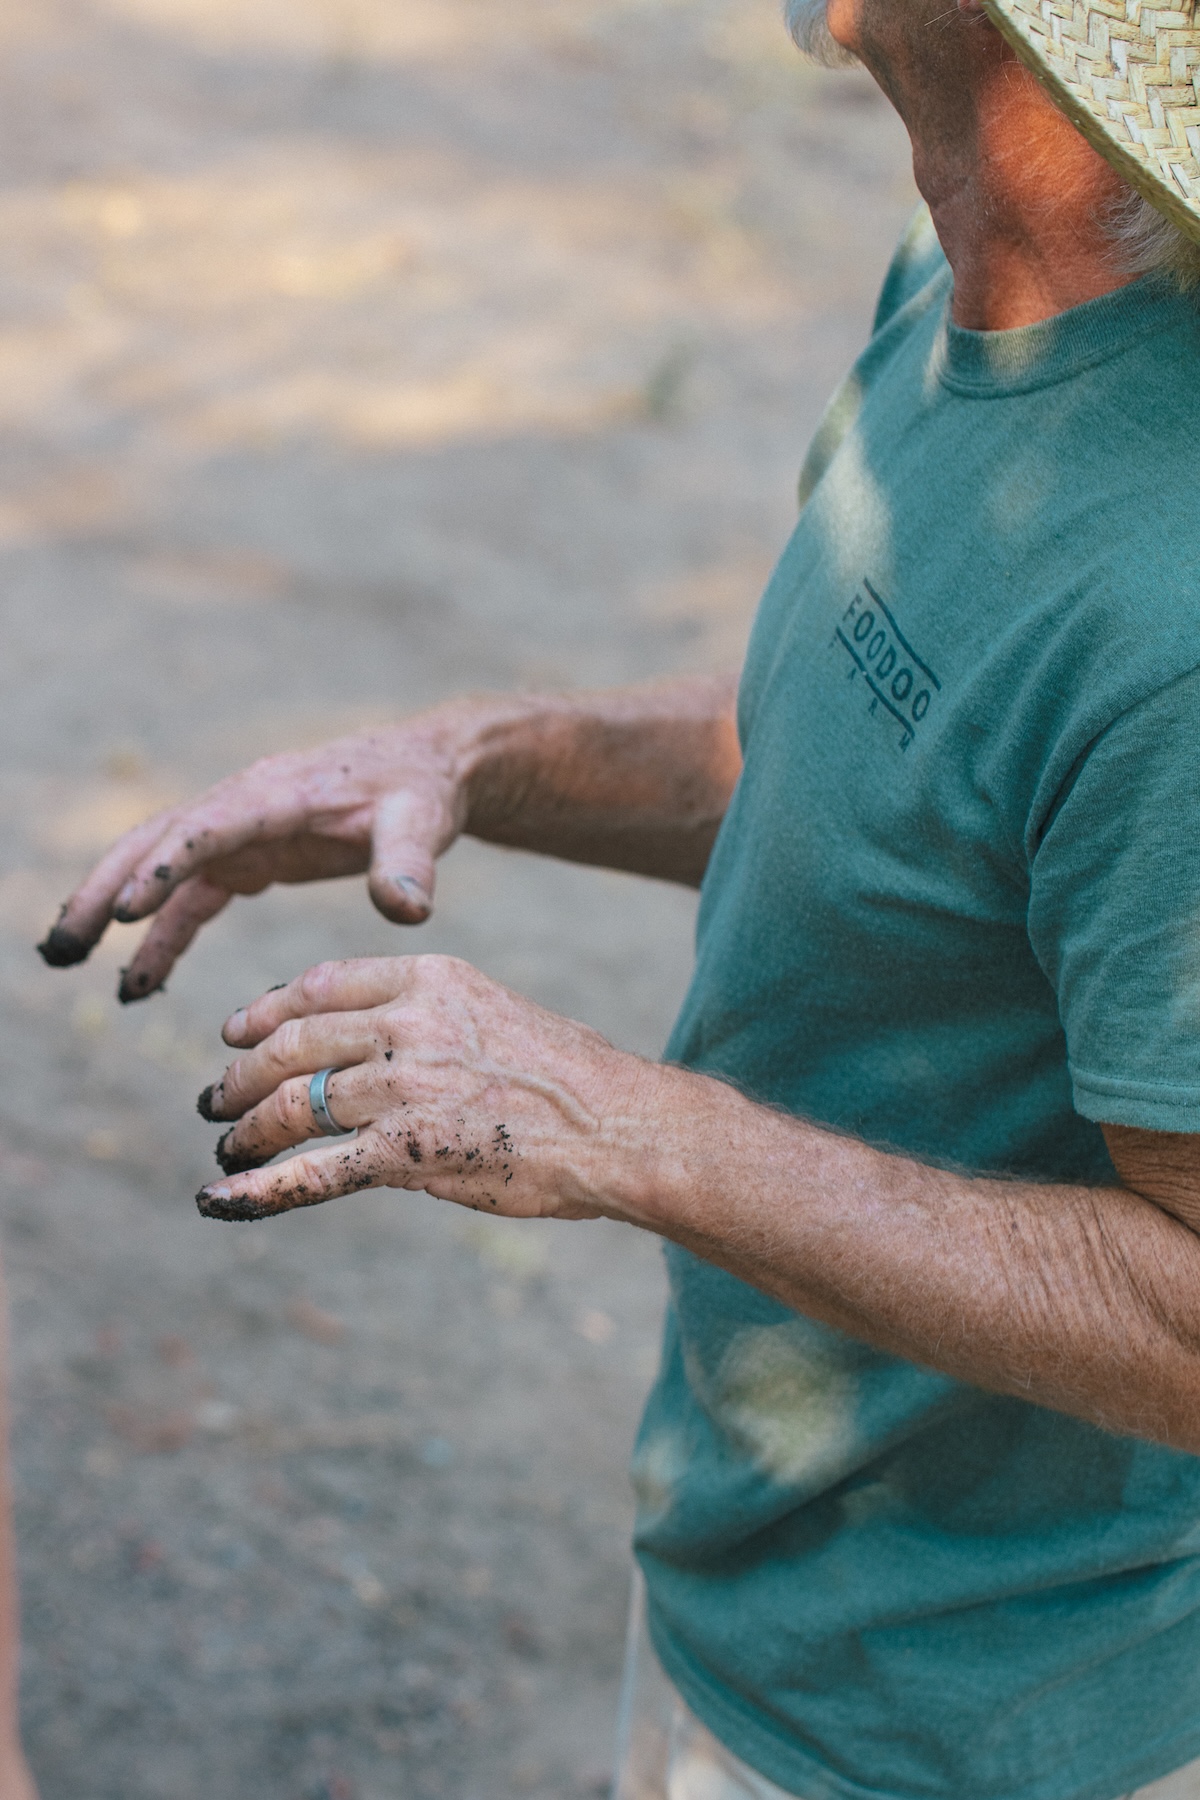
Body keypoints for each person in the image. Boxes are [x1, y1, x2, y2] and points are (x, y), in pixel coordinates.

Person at [38, 0, 1200, 1794]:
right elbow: (903, 778)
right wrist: (489, 757)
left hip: (982, 1733)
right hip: (771, 1603)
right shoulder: (971, 267)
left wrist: (632, 1131)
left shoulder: (1174, 616)